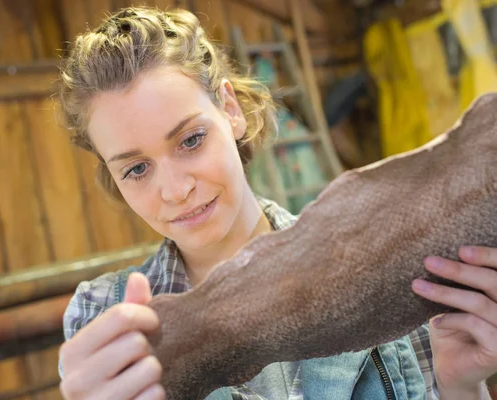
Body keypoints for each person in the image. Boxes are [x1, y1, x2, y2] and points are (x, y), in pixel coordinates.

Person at [56, 6, 497, 400]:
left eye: (191, 140)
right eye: (136, 169)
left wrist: (461, 386)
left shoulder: (386, 257)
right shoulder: (104, 317)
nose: (175, 190)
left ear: (230, 109)